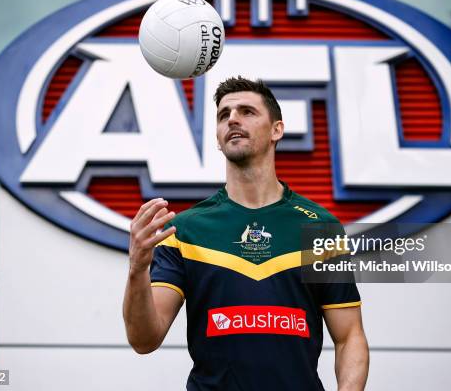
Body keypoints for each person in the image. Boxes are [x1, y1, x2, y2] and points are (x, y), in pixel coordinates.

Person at [123, 76, 369, 390]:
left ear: (276, 130)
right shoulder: (184, 231)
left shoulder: (320, 228)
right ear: (217, 136)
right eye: (224, 115)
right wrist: (137, 269)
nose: (233, 119)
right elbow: (144, 339)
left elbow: (350, 338)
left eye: (247, 112)